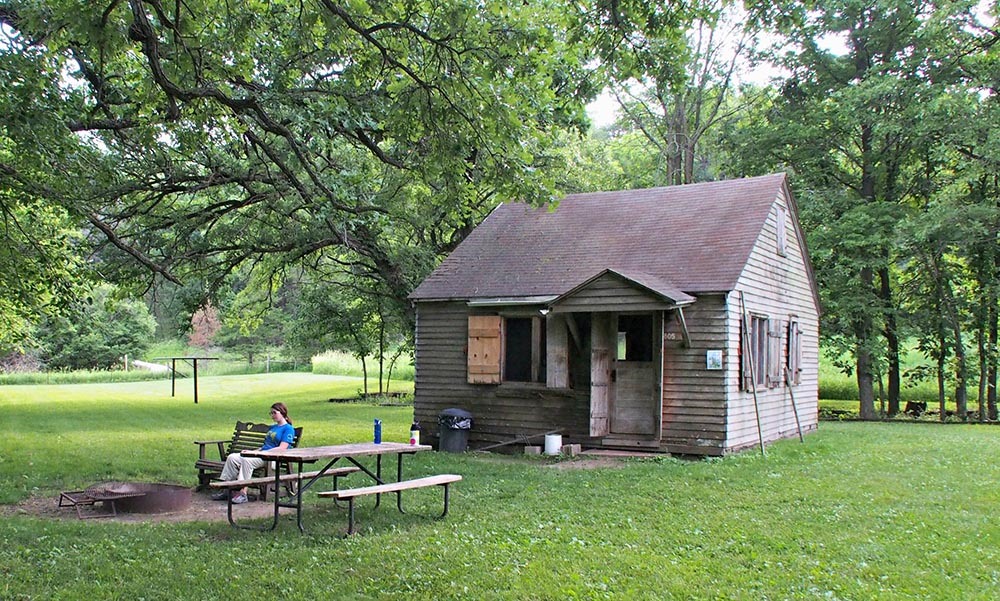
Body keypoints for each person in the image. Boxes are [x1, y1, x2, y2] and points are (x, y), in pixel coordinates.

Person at [212, 402, 295, 504]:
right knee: (232, 457)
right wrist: (252, 452)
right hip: (262, 456)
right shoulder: (273, 427)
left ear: (282, 412)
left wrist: (264, 453)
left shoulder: (288, 429)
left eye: (274, 413)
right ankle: (227, 489)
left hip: (273, 459)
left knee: (247, 461)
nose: (272, 415)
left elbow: (282, 448)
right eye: (271, 413)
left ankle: (243, 493)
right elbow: (265, 446)